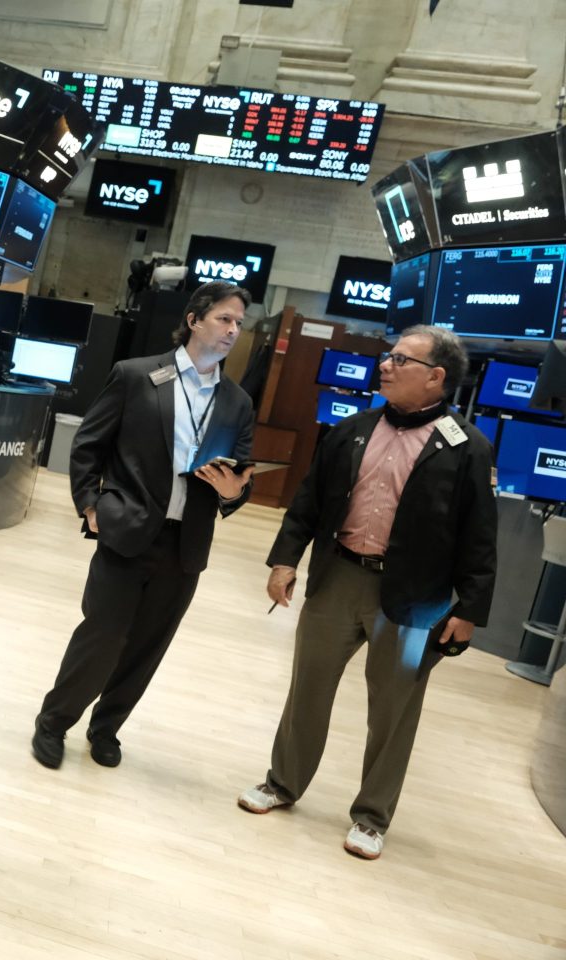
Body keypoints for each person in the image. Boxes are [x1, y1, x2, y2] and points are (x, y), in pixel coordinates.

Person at [237, 325, 496, 861]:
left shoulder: (466, 447)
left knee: (394, 710)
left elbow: (479, 535)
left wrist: (469, 608)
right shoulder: (351, 429)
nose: (385, 365)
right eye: (388, 356)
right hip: (337, 577)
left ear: (436, 377)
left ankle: (372, 817)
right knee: (307, 688)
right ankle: (282, 783)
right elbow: (308, 501)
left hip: (415, 600)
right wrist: (285, 559)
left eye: (401, 360)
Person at [32, 281, 257, 770]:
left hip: (185, 545)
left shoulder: (237, 401)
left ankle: (106, 728)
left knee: (147, 647)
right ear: (194, 320)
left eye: (239, 323)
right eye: (224, 318)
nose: (233, 330)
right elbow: (88, 445)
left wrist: (233, 492)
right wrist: (90, 505)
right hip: (127, 530)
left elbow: (241, 477)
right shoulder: (137, 376)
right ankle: (53, 721)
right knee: (104, 635)